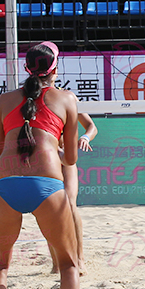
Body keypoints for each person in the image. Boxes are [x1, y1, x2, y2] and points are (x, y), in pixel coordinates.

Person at [0, 41, 80, 289]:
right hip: (47, 185)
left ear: (27, 68)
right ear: (55, 69)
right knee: (68, 264)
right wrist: (53, 148)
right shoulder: (66, 99)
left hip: (5, 185)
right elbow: (70, 159)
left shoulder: (4, 100)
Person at [51, 113, 98, 275]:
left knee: (70, 204)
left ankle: (79, 259)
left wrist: (85, 137)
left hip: (65, 155)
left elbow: (92, 127)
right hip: (46, 156)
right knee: (50, 208)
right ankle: (56, 262)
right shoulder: (34, 101)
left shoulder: (69, 101)